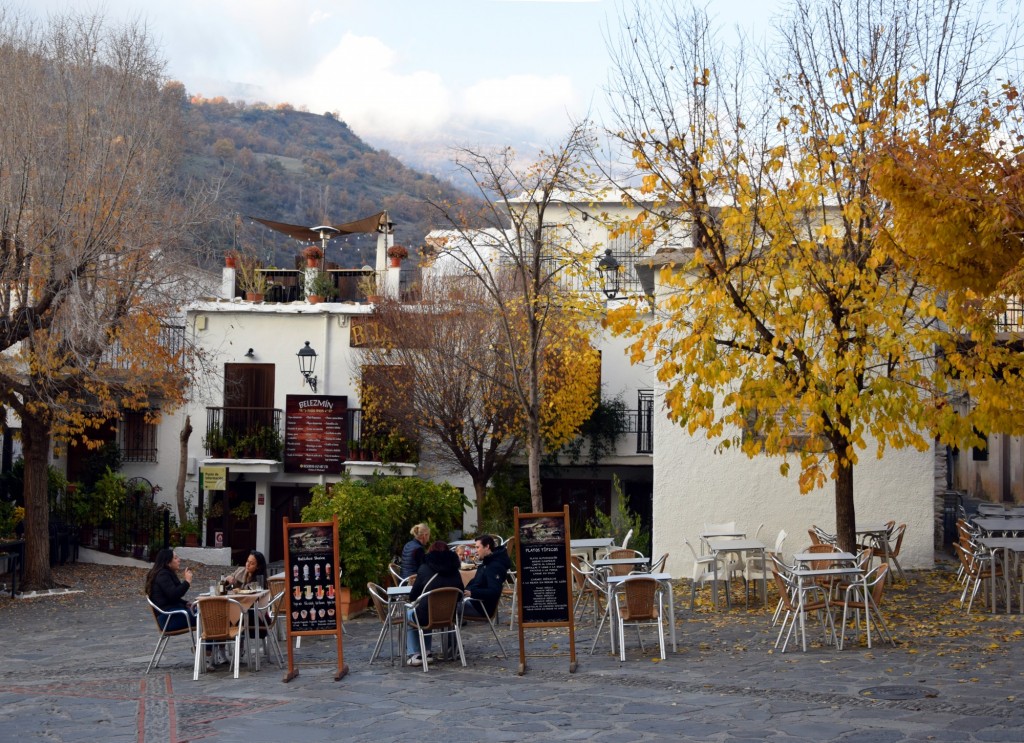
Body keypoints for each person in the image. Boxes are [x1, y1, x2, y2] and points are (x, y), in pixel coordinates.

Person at [405, 540, 463, 666]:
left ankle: (416, 654)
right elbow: (460, 593)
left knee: (411, 613)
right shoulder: (455, 570)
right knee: (424, 611)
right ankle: (427, 653)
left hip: (427, 616)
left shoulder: (424, 568)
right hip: (449, 616)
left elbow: (413, 596)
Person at [145, 548, 196, 631]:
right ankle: (209, 640)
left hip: (172, 614)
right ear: (168, 562)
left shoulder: (165, 573)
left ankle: (208, 639)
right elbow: (174, 595)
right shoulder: (162, 575)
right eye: (175, 558)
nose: (179, 560)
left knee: (204, 612)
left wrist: (185, 603)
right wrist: (187, 581)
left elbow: (171, 597)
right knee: (206, 615)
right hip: (169, 618)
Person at [462, 534, 511, 619]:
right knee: (450, 602)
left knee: (449, 607)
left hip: (481, 608)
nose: (476, 551)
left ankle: (455, 626)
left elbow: (494, 592)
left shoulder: (494, 567)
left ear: (487, 547)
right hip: (475, 603)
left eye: (478, 547)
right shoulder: (487, 563)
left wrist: (472, 593)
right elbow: (477, 582)